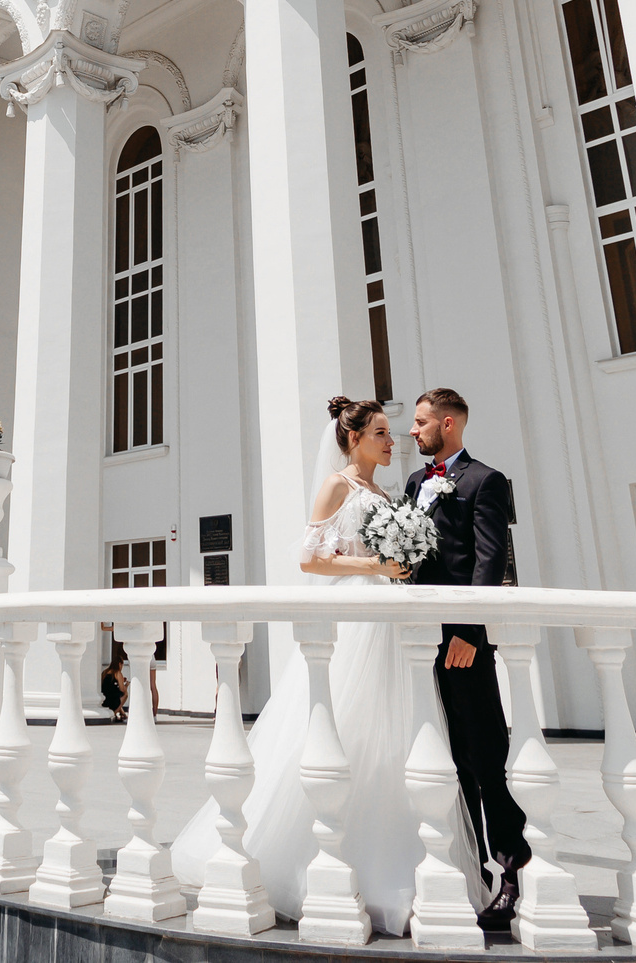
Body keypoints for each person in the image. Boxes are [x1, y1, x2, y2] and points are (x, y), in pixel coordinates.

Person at [167, 396, 484, 935]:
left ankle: (392, 862)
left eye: (392, 432)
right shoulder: (339, 486)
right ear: (355, 438)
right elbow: (310, 559)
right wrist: (376, 564)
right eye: (382, 432)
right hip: (356, 622)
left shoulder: (386, 491)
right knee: (346, 733)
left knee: (393, 739)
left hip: (388, 623)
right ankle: (316, 858)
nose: (392, 441)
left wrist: (401, 565)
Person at [405, 387, 531, 930]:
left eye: (421, 422)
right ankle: (464, 870)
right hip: (417, 642)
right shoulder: (414, 483)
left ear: (449, 424)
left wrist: (469, 632)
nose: (414, 430)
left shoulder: (486, 480)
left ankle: (510, 872)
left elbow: (488, 559)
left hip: (461, 643)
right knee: (444, 761)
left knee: (484, 757)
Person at [98, 649, 129, 722]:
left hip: (104, 699)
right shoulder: (118, 673)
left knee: (117, 696)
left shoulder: (105, 672)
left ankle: (123, 714)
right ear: (119, 664)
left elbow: (109, 685)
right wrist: (126, 685)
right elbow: (122, 689)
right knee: (125, 695)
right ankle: (114, 714)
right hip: (113, 701)